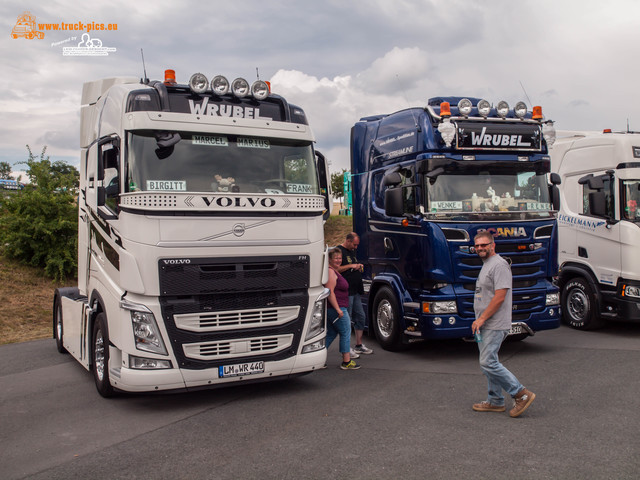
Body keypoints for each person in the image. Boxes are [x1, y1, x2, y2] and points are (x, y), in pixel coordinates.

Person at [471, 231, 535, 418]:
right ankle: (495, 401)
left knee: (487, 361)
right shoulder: (487, 265)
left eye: (484, 245)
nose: (480, 248)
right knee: (490, 361)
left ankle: (520, 394)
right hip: (485, 323)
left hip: (494, 323)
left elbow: (500, 296)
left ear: (493, 245)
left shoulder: (499, 265)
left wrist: (482, 318)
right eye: (477, 246)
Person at [337, 232, 374, 356]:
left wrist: (358, 267)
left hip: (356, 290)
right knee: (347, 320)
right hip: (346, 292)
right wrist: (351, 266)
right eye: (354, 244)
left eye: (357, 245)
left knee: (361, 317)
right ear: (348, 241)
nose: (356, 247)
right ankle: (346, 349)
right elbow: (336, 269)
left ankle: (358, 344)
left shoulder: (352, 252)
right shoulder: (339, 251)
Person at [325, 248, 361, 370]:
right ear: (329, 259)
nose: (338, 260)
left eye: (340, 258)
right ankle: (346, 361)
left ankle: (318, 357)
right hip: (337, 308)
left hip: (337, 308)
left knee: (331, 333)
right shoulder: (331, 272)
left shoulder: (335, 271)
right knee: (346, 331)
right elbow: (330, 292)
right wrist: (338, 310)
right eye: (336, 258)